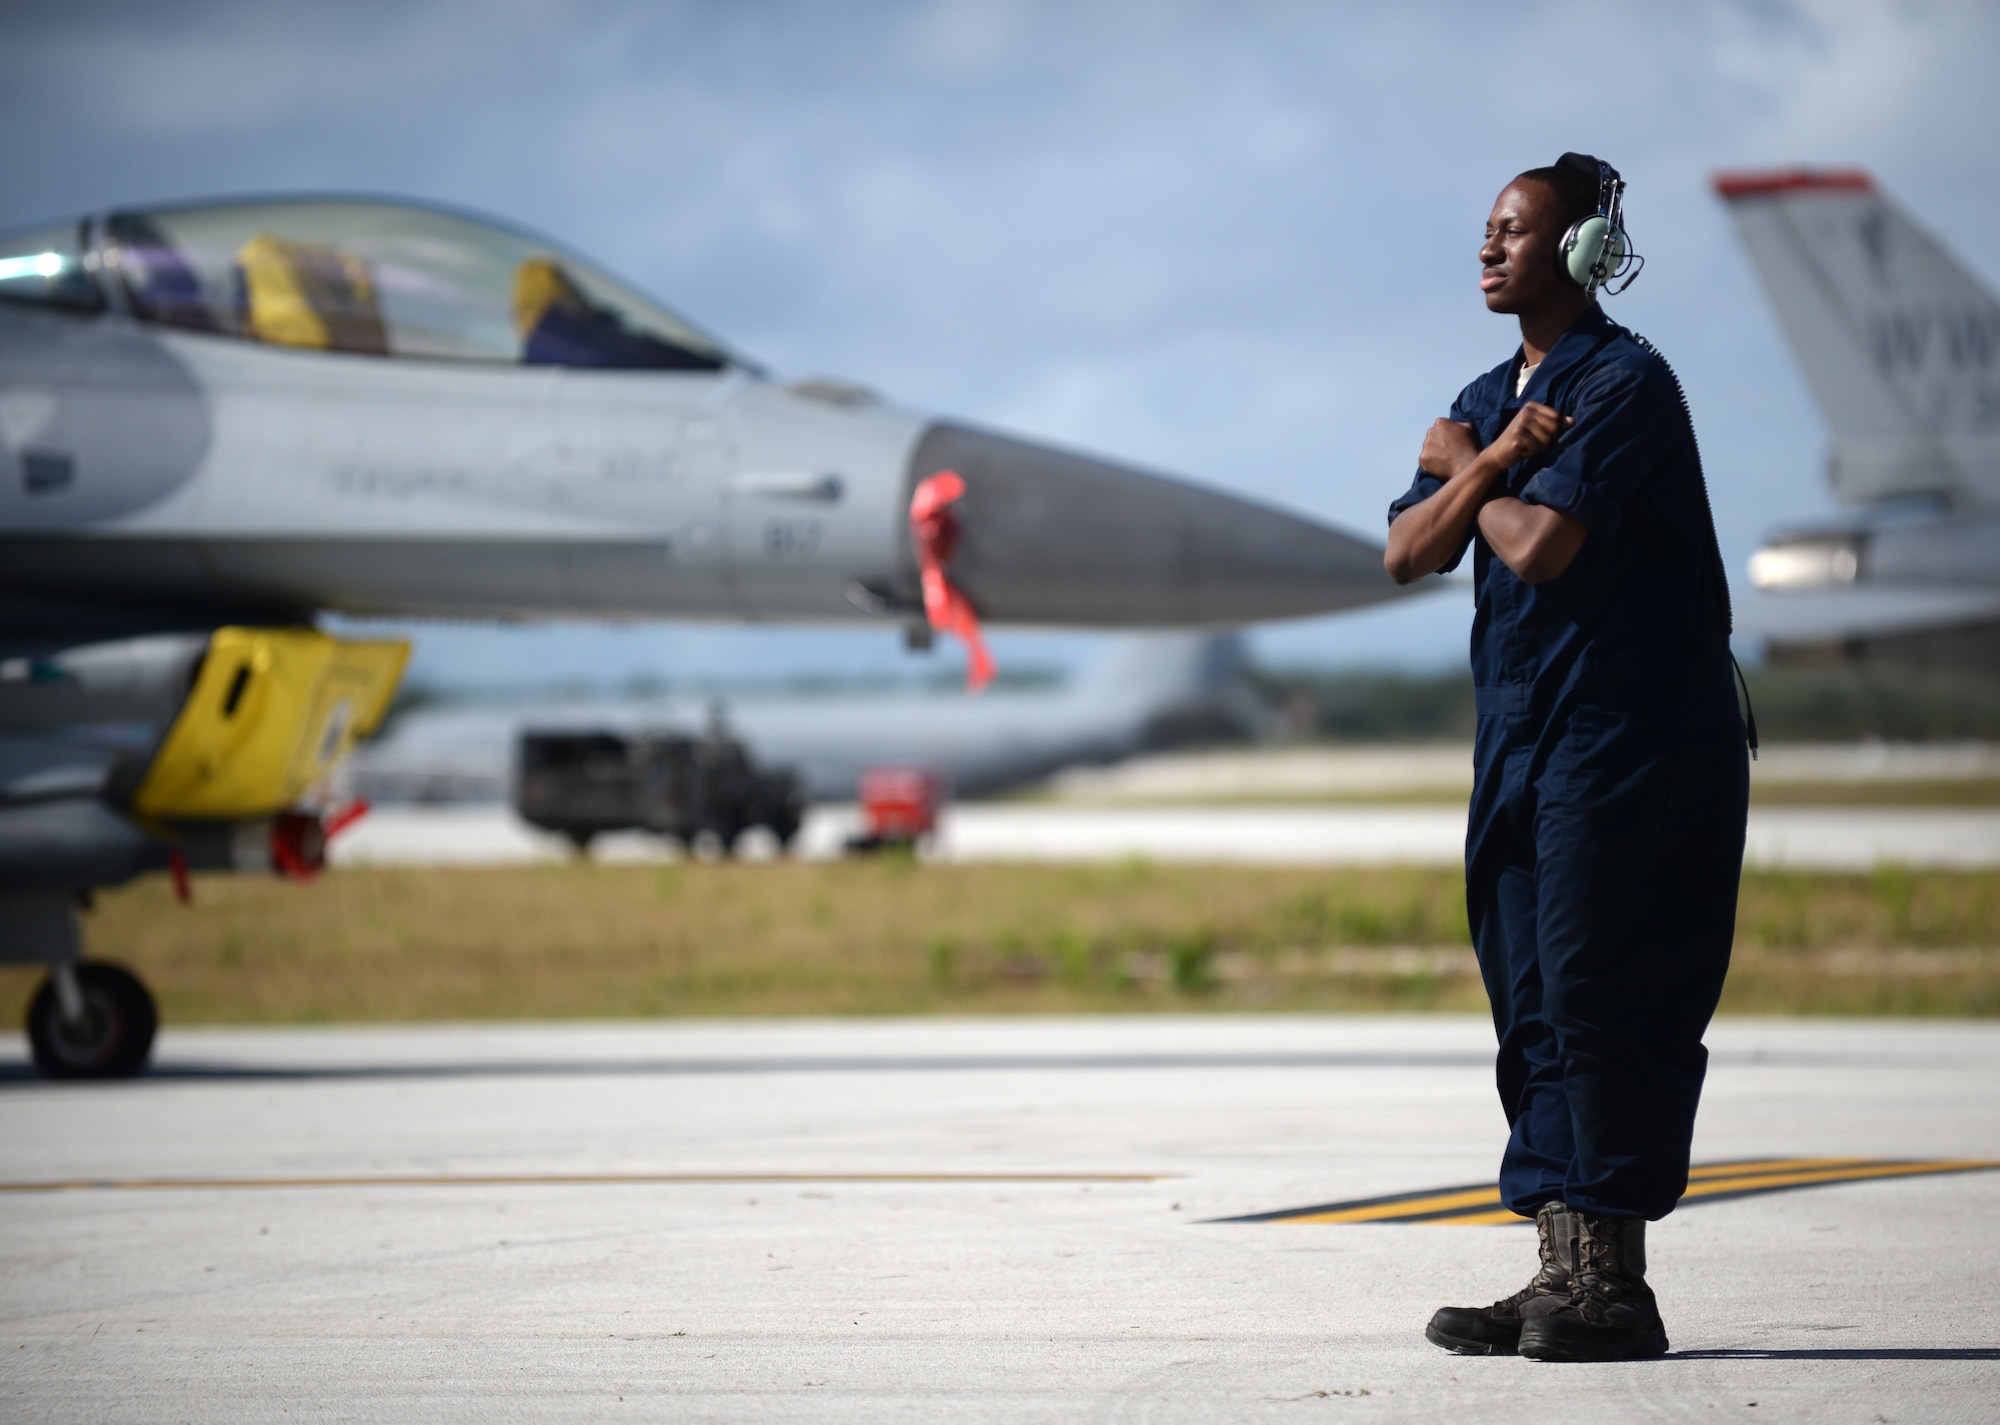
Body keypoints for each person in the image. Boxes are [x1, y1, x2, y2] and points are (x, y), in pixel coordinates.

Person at [1383, 153, 1750, 1363]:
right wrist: (1479, 463)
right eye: (1482, 230)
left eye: (1512, 232)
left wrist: (1467, 474)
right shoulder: (1486, 398)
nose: (1486, 249)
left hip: (1630, 738)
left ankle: (1613, 1288)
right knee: (1529, 995)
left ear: (1579, 252)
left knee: (1602, 990)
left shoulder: (1623, 384)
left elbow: (1535, 549)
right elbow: (1405, 550)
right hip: (1523, 737)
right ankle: (1557, 1272)